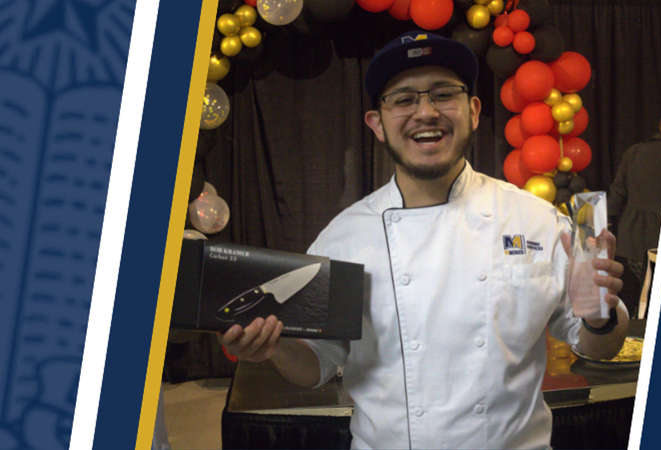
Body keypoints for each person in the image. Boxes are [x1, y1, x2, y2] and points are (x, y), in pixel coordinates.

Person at [222, 31, 629, 449]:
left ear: (473, 111)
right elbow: (317, 366)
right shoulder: (343, 237)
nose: (426, 112)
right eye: (403, 99)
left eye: (443, 95)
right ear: (376, 124)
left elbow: (599, 347)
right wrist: (271, 349)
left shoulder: (538, 221)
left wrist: (599, 316)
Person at [608, 109, 661, 317]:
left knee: (629, 310)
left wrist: (607, 224)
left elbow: (616, 195)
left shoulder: (635, 152)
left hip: (631, 241)